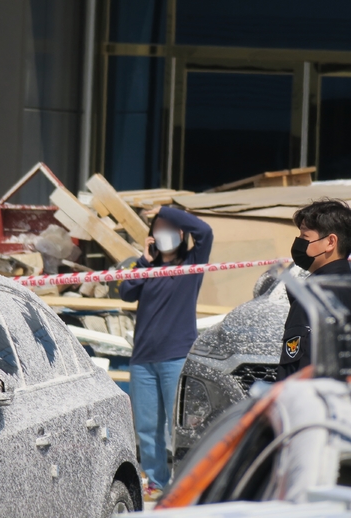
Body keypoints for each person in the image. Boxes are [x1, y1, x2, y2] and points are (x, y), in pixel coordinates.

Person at [120, 206, 213, 501]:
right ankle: (157, 482)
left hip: (176, 357)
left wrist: (165, 210)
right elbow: (125, 291)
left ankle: (186, 480)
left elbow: (205, 232)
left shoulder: (191, 265)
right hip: (143, 360)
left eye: (170, 228)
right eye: (158, 229)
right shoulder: (145, 267)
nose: (164, 234)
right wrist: (144, 260)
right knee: (147, 428)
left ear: (181, 233)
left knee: (181, 426)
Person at [279, 198, 351, 378]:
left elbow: (298, 376)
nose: (298, 243)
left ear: (330, 242)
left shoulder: (313, 299)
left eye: (305, 237)